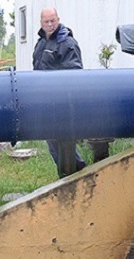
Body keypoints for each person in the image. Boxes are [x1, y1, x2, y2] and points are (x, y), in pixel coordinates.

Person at [33, 7, 87, 176]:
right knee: (53, 142)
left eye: (53, 21)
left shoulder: (67, 43)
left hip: (62, 103)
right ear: (41, 23)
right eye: (46, 21)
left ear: (58, 19)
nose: (50, 25)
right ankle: (70, 177)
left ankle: (77, 175)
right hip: (46, 101)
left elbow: (74, 74)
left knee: (63, 142)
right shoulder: (41, 43)